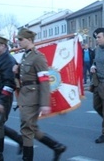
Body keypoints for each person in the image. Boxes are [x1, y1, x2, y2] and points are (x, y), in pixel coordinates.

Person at [13, 28, 67, 161]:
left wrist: (44, 103)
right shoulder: (26, 56)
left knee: (26, 128)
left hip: (33, 96)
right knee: (31, 128)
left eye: (21, 39)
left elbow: (44, 81)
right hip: (25, 95)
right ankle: (56, 146)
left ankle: (27, 158)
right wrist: (16, 71)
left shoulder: (38, 57)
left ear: (29, 40)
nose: (18, 42)